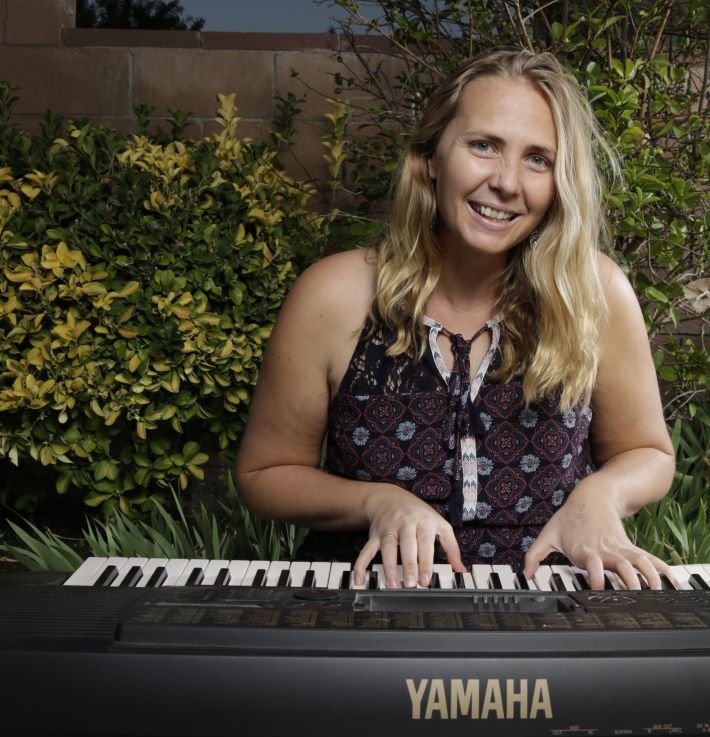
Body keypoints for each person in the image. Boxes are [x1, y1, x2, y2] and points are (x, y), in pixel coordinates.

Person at [235, 48, 675, 591]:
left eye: (538, 159)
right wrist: (377, 501)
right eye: (484, 146)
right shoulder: (334, 294)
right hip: (363, 615)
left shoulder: (595, 291)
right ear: (431, 158)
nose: (508, 183)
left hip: (551, 615)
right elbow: (264, 473)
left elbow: (648, 452)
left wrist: (598, 497)